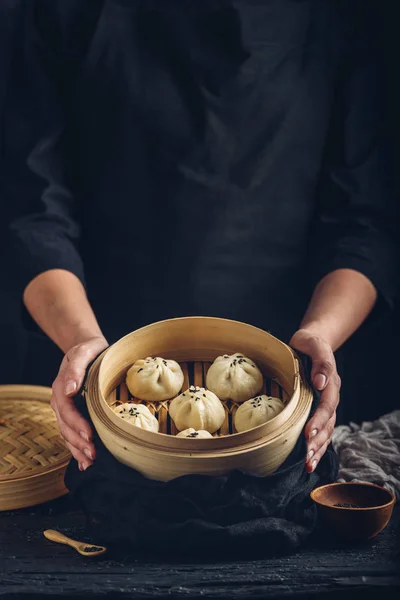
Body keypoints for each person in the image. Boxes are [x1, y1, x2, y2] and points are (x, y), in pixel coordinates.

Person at [2, 1, 396, 475]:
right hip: (99, 371)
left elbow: (367, 217)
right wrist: (80, 342)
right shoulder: (61, 12)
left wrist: (320, 337)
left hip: (290, 382)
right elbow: (33, 206)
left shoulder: (346, 16)